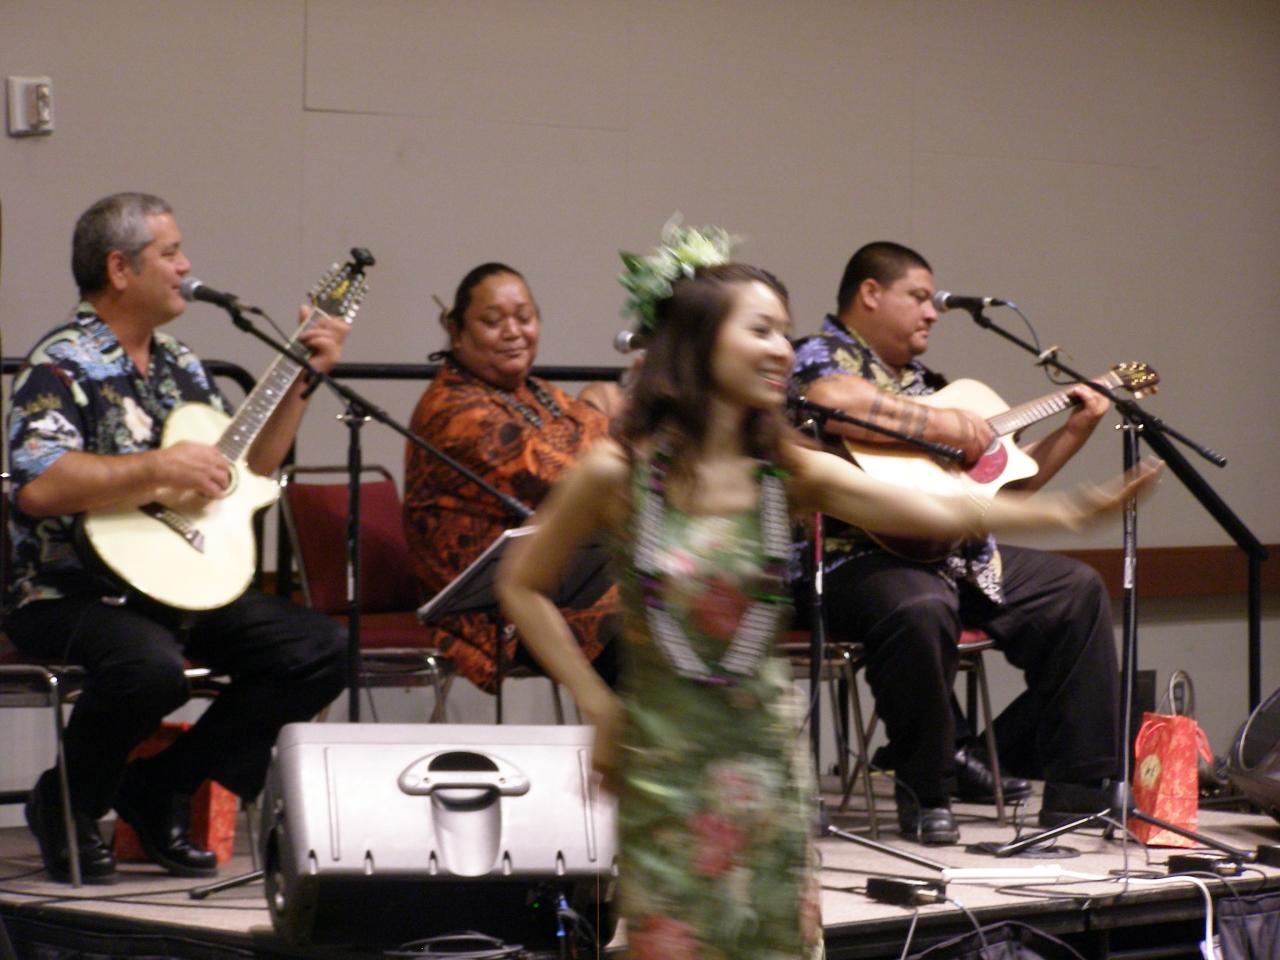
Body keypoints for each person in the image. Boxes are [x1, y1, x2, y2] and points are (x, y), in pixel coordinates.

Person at [497, 237, 1158, 956]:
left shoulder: (784, 471)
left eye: (783, 331)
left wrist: (1072, 512)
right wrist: (598, 705)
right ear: (699, 340)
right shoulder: (618, 471)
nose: (782, 349)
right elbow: (520, 585)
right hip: (665, 768)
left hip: (765, 763)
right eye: (760, 329)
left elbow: (937, 510)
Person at [6, 192, 348, 884]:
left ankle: (164, 784)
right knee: (150, 668)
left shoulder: (180, 365)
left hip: (173, 584)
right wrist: (157, 469)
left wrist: (302, 380)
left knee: (318, 649)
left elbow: (247, 470)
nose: (187, 266)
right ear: (120, 268)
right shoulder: (59, 364)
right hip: (67, 592)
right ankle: (67, 803)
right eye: (170, 253)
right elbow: (39, 484)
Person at [789, 240, 1123, 844]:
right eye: (919, 296)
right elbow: (830, 403)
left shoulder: (928, 384)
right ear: (871, 293)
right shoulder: (820, 355)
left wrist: (1076, 429)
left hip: (951, 555)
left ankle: (1080, 791)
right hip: (845, 563)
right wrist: (943, 426)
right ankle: (927, 790)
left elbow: (1006, 492)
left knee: (1075, 590)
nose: (932, 312)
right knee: (920, 605)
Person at [403, 262, 621, 695]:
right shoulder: (453, 410)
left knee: (671, 605)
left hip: (561, 586)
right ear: (456, 331)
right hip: (494, 613)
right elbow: (563, 475)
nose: (513, 332)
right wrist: (595, 406)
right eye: (492, 321)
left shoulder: (534, 391)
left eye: (525, 317)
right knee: (641, 630)